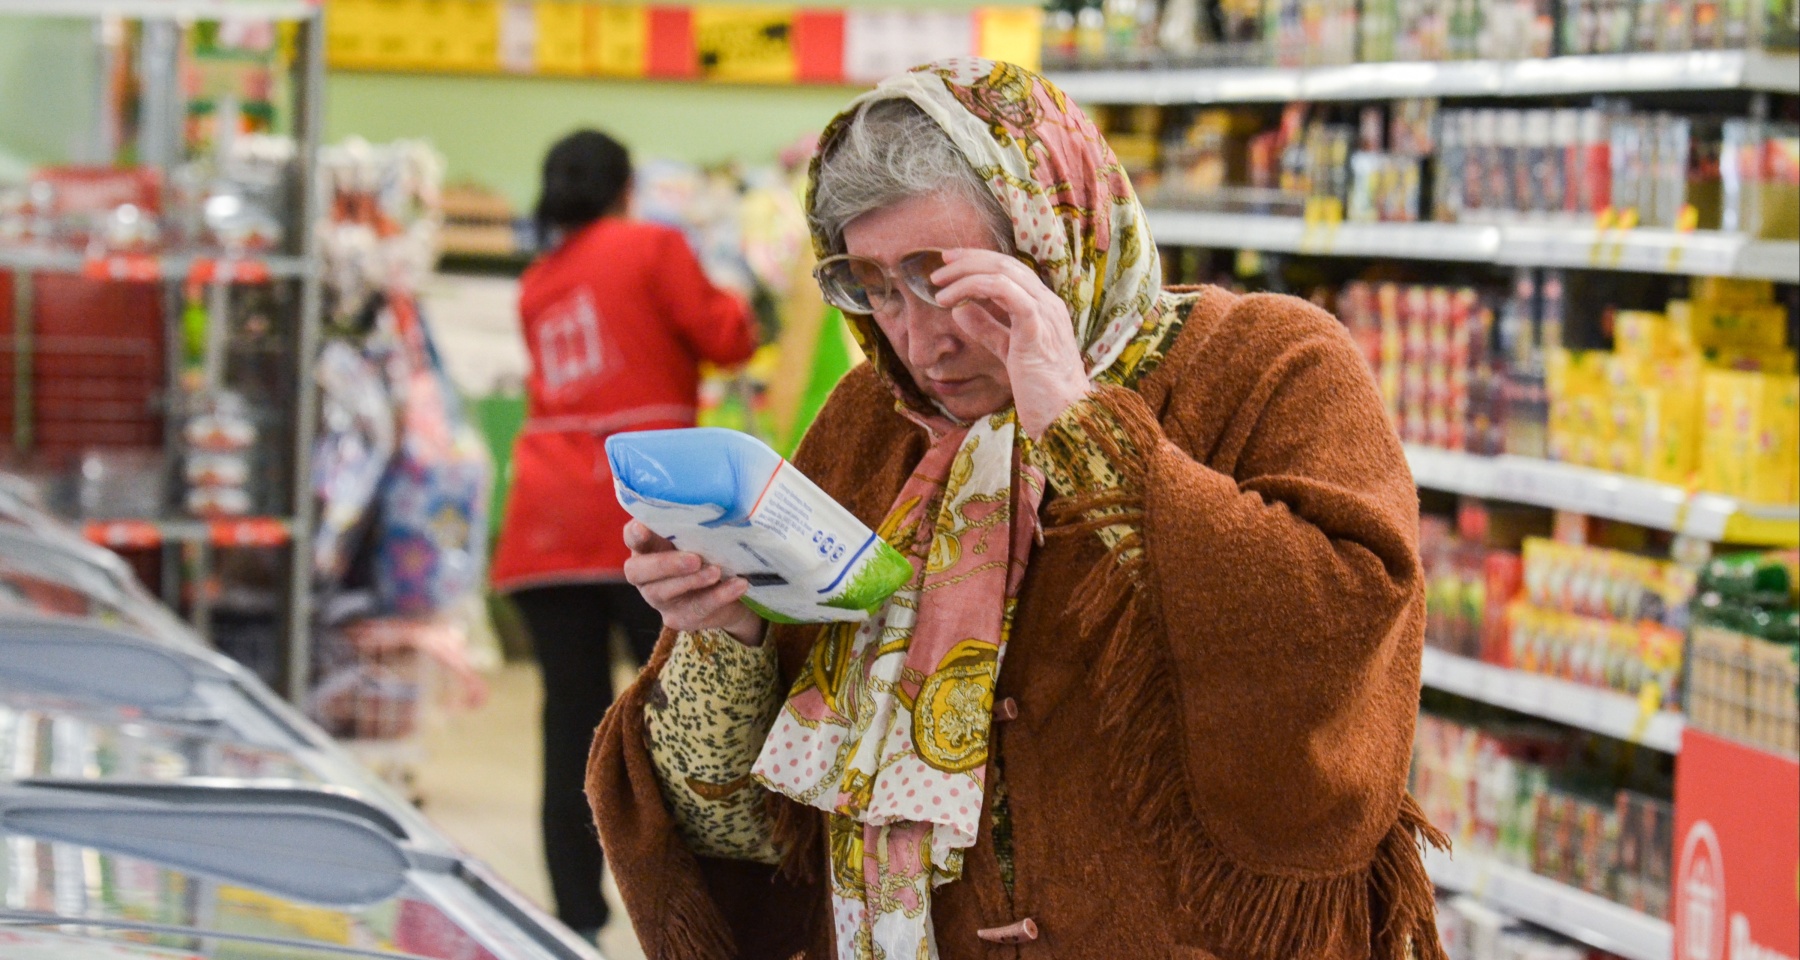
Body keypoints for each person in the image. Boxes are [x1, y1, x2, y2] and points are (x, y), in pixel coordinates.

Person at [589, 60, 1447, 960]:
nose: (919, 340)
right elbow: (743, 825)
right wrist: (731, 632)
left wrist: (1081, 425)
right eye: (876, 287)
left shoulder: (1268, 362)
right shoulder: (871, 425)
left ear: (1051, 236)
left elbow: (1347, 624)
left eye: (948, 280)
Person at [490, 128, 758, 941]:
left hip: (543, 521)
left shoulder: (537, 280)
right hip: (647, 516)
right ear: (626, 185)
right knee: (681, 718)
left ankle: (573, 922)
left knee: (570, 723)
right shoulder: (654, 246)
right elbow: (729, 339)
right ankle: (687, 919)